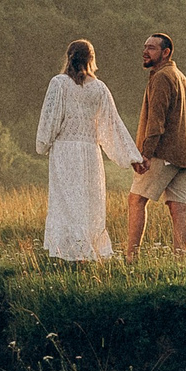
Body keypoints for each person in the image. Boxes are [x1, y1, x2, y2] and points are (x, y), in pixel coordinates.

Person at [33, 40, 142, 262]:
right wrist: (132, 156)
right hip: (90, 153)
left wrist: (43, 144)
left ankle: (75, 253)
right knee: (89, 200)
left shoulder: (59, 83)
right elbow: (113, 125)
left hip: (65, 151)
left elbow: (50, 117)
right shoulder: (99, 88)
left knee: (68, 200)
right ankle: (85, 250)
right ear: (91, 59)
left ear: (68, 57)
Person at [125, 34, 186, 262]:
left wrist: (145, 154)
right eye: (145, 47)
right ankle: (180, 260)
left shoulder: (162, 77)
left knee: (136, 200)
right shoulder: (182, 78)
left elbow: (156, 120)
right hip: (184, 154)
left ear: (166, 52)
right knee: (179, 208)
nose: (145, 52)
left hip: (163, 153)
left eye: (152, 48)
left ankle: (131, 258)